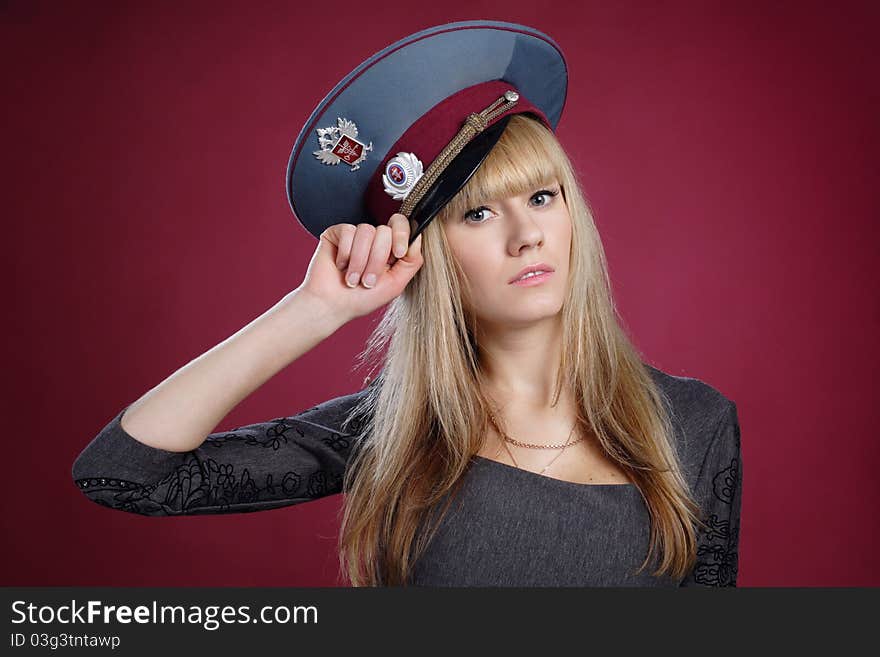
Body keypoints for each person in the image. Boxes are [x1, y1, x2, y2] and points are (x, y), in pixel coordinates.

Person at [71, 21, 742, 587]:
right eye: (477, 213)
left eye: (542, 197)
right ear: (427, 254)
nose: (526, 234)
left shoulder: (694, 424)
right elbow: (123, 475)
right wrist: (313, 309)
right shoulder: (391, 430)